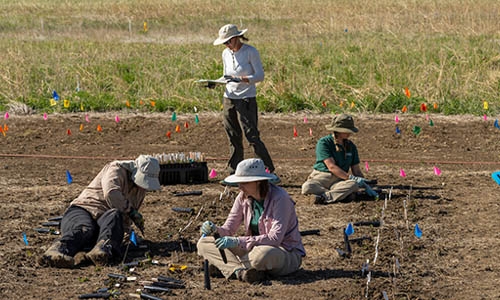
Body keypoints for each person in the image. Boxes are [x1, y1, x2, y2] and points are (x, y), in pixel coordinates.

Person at [38, 155, 161, 268]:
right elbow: (111, 193)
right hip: (83, 210)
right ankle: (57, 251)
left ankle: (101, 250)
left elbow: (122, 218)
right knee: (85, 228)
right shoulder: (116, 169)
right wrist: (131, 211)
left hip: (104, 221)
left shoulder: (140, 190)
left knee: (115, 215)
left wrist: (127, 234)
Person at [197, 158, 305, 284]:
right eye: (239, 182)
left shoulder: (280, 198)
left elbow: (275, 239)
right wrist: (215, 229)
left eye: (244, 182)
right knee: (204, 243)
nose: (240, 186)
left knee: (263, 255)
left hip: (282, 252)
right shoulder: (242, 197)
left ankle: (226, 266)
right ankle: (240, 272)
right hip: (251, 249)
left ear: (258, 181)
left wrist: (237, 241)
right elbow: (229, 229)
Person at [213, 24, 276, 176]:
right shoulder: (225, 53)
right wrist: (215, 82)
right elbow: (226, 75)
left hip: (246, 98)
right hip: (229, 97)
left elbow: (259, 76)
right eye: (224, 43)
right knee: (232, 134)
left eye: (228, 41)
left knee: (251, 135)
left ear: (236, 38)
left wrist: (241, 79)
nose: (227, 45)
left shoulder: (250, 52)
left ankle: (267, 169)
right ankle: (234, 171)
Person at [302, 114, 373, 204]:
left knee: (353, 184)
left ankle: (324, 197)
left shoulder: (351, 146)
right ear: (338, 130)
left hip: (340, 180)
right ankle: (340, 195)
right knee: (307, 187)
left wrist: (365, 185)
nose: (349, 133)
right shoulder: (324, 143)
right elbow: (331, 166)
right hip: (322, 178)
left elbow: (357, 171)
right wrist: (349, 177)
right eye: (346, 130)